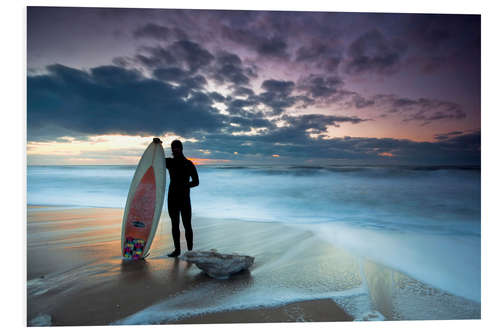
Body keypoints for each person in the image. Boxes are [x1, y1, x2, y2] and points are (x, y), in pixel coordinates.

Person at [165, 139, 199, 257]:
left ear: (181, 148)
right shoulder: (169, 162)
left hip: (184, 198)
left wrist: (185, 185)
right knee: (174, 224)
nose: (175, 150)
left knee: (187, 225)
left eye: (177, 147)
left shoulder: (188, 164)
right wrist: (156, 145)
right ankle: (177, 250)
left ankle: (190, 251)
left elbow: (196, 182)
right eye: (173, 148)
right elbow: (156, 160)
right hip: (172, 198)